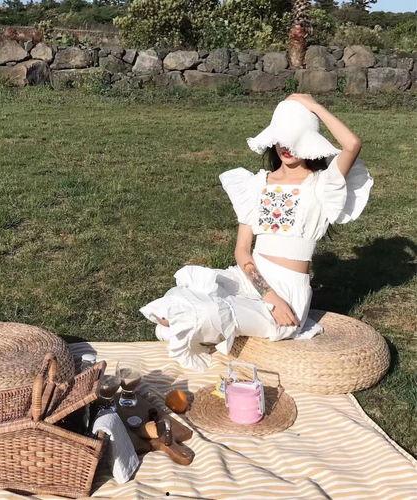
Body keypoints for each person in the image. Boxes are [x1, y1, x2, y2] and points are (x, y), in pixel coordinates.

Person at [140, 94, 374, 371]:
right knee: (179, 296)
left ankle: (194, 328)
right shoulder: (256, 184)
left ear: (309, 142)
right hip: (249, 277)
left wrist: (313, 106)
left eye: (295, 140)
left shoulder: (322, 185)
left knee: (205, 314)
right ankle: (191, 326)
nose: (286, 147)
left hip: (288, 291)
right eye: (281, 139)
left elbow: (352, 144)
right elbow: (242, 251)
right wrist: (267, 294)